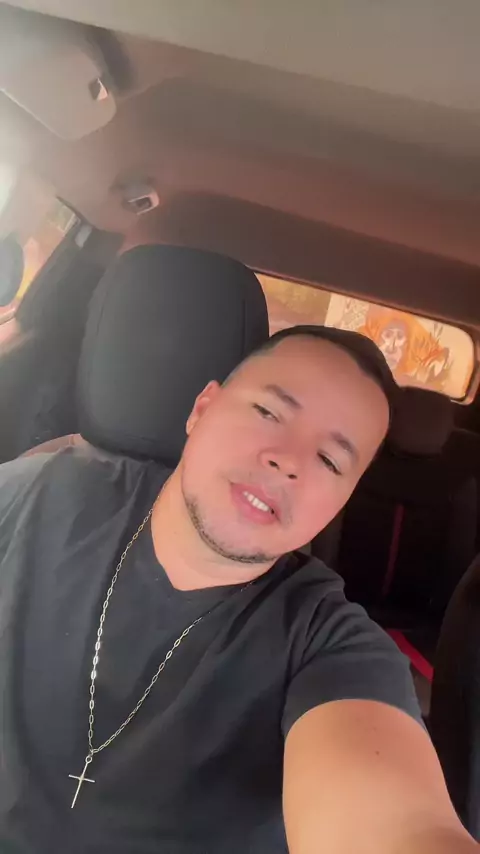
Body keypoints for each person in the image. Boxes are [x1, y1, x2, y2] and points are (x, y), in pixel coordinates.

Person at [0, 325, 476, 854]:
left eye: (330, 461)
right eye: (268, 412)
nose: (288, 460)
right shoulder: (43, 493)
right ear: (202, 409)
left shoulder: (331, 647)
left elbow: (397, 824)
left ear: (342, 501)